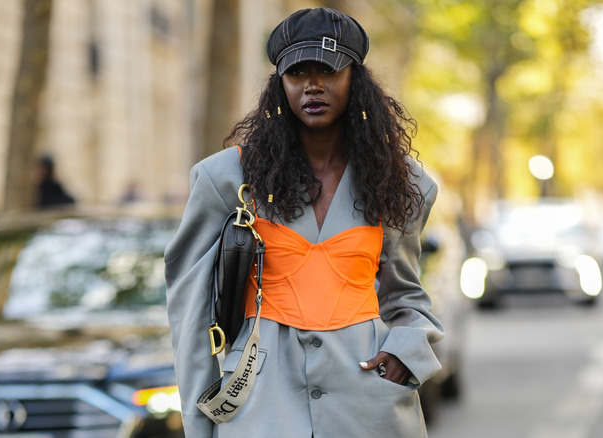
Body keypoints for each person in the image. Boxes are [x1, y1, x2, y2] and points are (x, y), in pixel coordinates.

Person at [165, 8, 444, 438]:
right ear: (280, 83)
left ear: (356, 79)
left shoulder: (402, 184)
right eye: (297, 72)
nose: (312, 85)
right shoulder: (225, 179)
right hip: (260, 405)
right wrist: (201, 425)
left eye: (328, 71)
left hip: (369, 406)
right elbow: (192, 313)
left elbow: (404, 295)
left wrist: (407, 353)